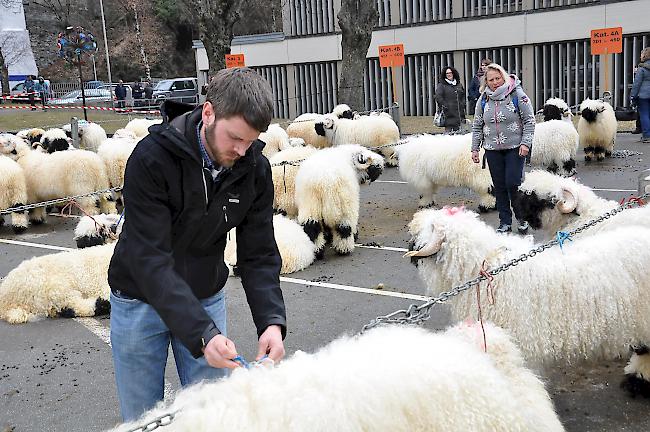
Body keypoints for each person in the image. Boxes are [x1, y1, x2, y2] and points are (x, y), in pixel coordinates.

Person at [108, 67, 287, 422]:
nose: (241, 149)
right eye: (234, 137)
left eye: (250, 141)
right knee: (144, 418)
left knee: (213, 415)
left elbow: (260, 253)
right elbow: (150, 259)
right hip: (139, 299)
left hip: (205, 294)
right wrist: (203, 333)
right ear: (208, 112)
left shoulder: (254, 169)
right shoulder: (151, 159)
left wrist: (271, 322)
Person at [471, 63, 535, 234]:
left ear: (504, 77)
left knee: (513, 183)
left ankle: (522, 218)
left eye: (498, 78)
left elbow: (530, 120)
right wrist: (475, 149)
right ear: (486, 81)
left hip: (515, 148)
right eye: (491, 79)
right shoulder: (483, 99)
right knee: (499, 186)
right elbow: (477, 125)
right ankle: (505, 222)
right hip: (492, 150)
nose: (495, 82)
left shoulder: (517, 94)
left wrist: (525, 143)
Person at [434, 66, 466, 133]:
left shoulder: (459, 85)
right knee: (449, 136)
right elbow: (438, 96)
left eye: (450, 73)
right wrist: (445, 105)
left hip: (460, 115)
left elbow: (463, 95)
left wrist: (463, 104)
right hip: (448, 115)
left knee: (460, 135)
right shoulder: (442, 85)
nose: (449, 74)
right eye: (447, 73)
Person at [631, 47, 650, 144]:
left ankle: (647, 136)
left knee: (644, 115)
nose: (640, 56)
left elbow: (636, 84)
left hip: (643, 96)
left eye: (642, 54)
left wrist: (633, 96)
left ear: (645, 55)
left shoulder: (642, 68)